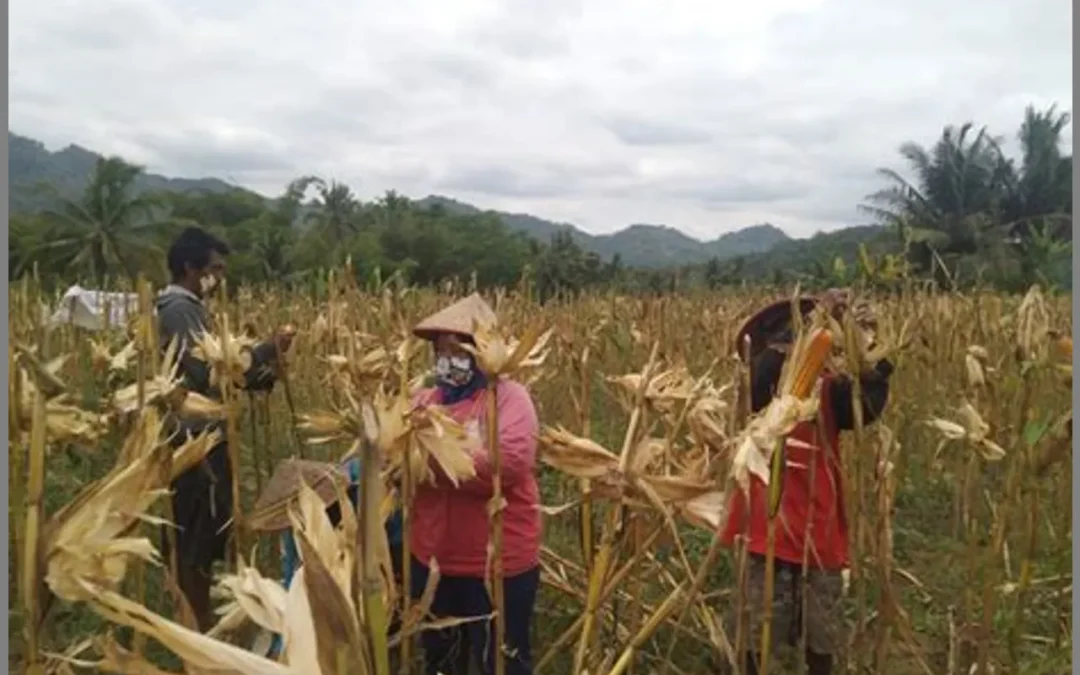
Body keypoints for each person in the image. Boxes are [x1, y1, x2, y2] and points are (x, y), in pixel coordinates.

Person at [719, 289, 894, 675]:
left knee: (822, 640)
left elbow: (867, 406)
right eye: (790, 336)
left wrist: (867, 344)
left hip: (819, 534)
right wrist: (790, 350)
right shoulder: (759, 390)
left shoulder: (830, 392)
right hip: (765, 537)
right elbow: (758, 381)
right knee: (755, 639)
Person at [157, 226, 295, 631]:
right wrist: (266, 352)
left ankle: (197, 624)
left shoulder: (191, 308)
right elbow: (208, 374)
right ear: (189, 267)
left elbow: (230, 373)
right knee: (193, 544)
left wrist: (264, 370)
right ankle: (194, 629)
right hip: (190, 445)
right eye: (214, 269)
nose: (219, 279)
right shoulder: (179, 310)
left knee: (204, 539)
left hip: (203, 441)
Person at [408, 293, 542, 675]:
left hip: (499, 566)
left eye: (459, 349)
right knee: (441, 661)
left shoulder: (510, 400)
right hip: (434, 562)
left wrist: (431, 459)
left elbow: (509, 464)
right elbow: (395, 459)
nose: (448, 358)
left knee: (500, 660)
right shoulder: (422, 400)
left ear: (484, 352)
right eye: (441, 349)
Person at [249, 456, 405, 659]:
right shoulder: (296, 524)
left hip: (382, 572)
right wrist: (284, 642)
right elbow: (293, 576)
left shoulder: (365, 494)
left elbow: (393, 544)